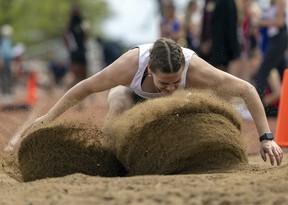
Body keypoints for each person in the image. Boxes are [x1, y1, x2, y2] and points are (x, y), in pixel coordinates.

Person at [19, 38, 283, 166]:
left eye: (174, 81)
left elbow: (247, 90)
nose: (169, 88)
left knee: (192, 102)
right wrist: (49, 117)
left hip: (176, 110)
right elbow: (85, 87)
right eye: (163, 83)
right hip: (133, 101)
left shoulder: (196, 69)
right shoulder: (128, 65)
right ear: (149, 71)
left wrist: (266, 137)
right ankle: (110, 157)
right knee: (119, 97)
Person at [253, 0, 287, 103]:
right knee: (283, 71)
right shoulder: (270, 4)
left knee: (263, 71)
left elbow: (280, 22)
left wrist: (260, 22)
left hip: (279, 39)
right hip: (273, 40)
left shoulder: (280, 2)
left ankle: (258, 104)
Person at [199, 0, 240, 71]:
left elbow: (231, 27)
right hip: (207, 51)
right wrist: (203, 42)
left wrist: (232, 52)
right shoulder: (208, 2)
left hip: (222, 51)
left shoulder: (227, 2)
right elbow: (205, 23)